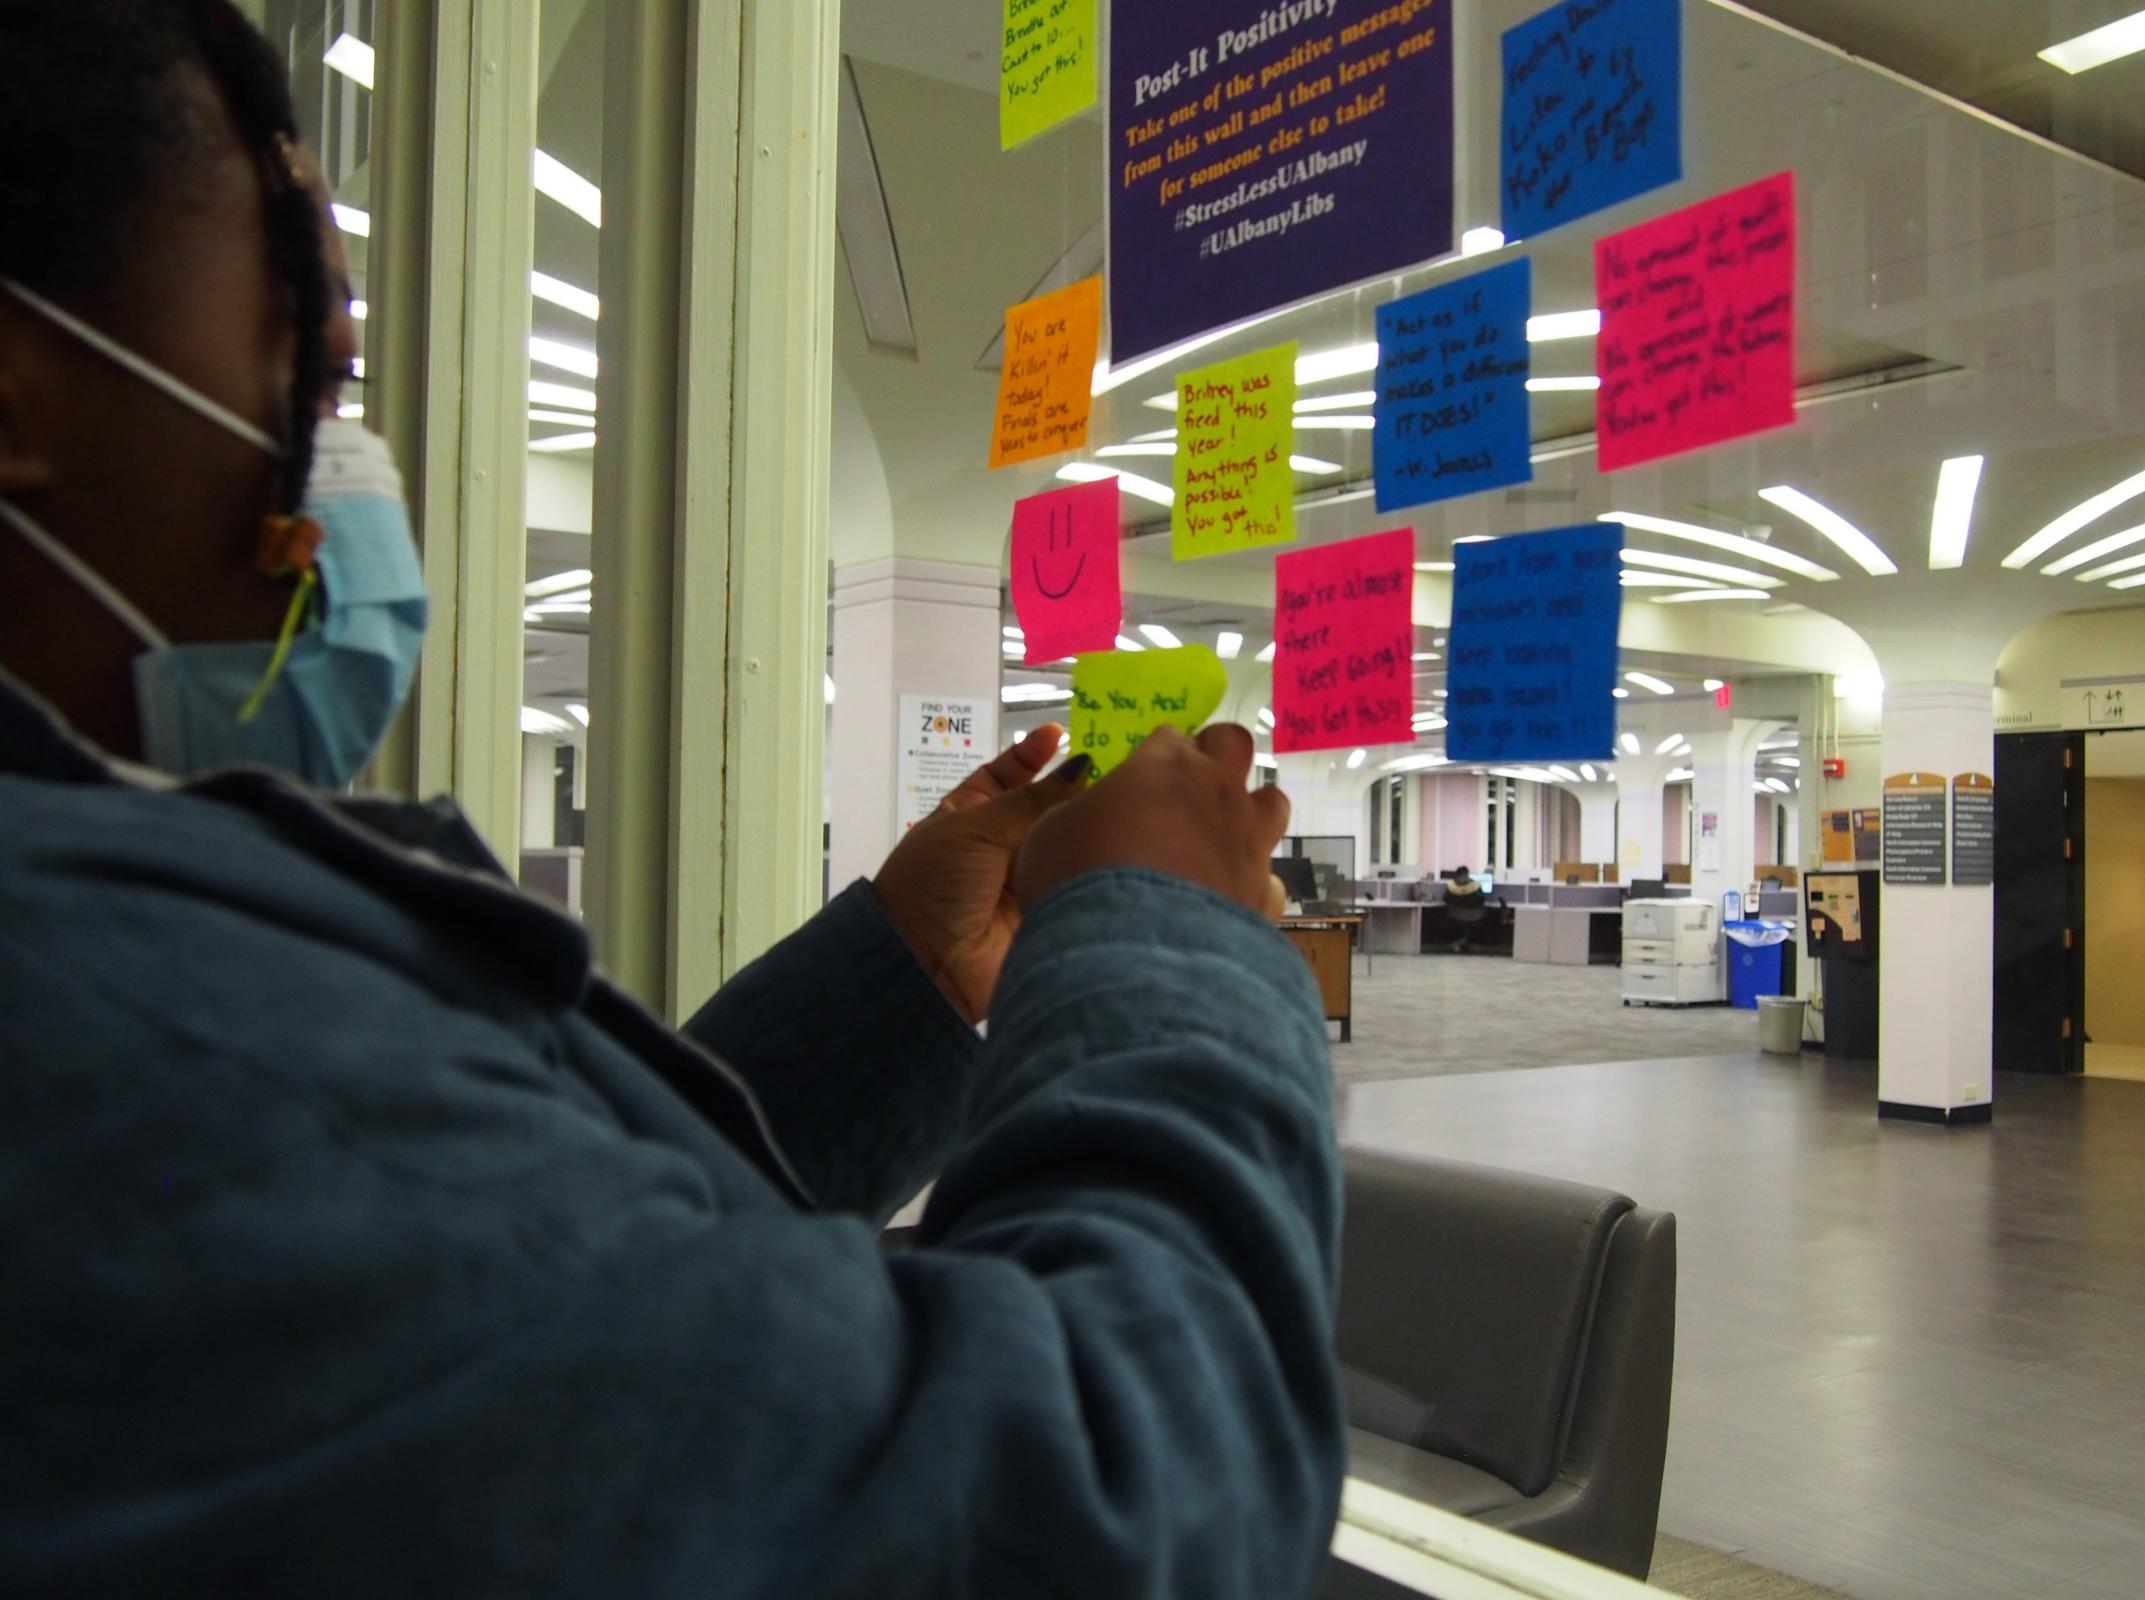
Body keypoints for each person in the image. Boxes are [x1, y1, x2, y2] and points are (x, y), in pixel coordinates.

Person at [0, 4, 1344, 1595]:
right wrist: (1168, 932)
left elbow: (566, 1279)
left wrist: (899, 986)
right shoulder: (124, 1027)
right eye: (306, 375)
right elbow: (1116, 1496)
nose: (338, 468)